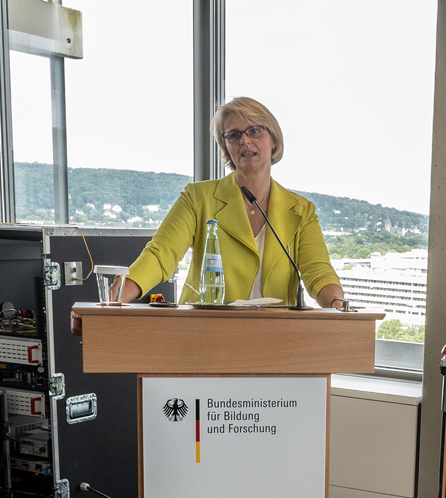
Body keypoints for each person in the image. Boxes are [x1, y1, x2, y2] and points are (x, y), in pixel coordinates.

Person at [73, 97, 345, 333]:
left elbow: (317, 271)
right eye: (234, 135)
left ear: (273, 140)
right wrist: (113, 299)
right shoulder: (197, 197)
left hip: (277, 336)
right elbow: (159, 255)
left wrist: (338, 305)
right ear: (225, 146)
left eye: (254, 130)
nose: (245, 141)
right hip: (203, 332)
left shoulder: (300, 210)